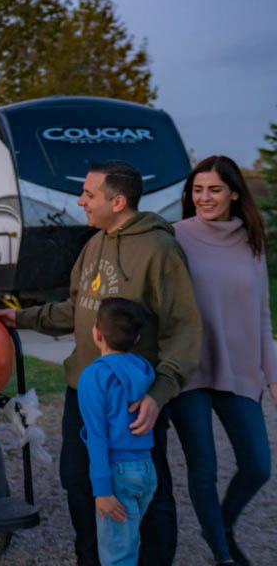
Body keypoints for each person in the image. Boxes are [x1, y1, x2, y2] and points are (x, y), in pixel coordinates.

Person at [0, 160, 202, 566]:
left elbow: (186, 328)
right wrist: (17, 318)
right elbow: (76, 308)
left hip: (134, 401)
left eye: (89, 195)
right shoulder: (95, 243)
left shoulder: (160, 250)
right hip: (83, 389)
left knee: (148, 488)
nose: (81, 201)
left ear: (118, 200)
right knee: (78, 480)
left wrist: (159, 394)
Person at [170, 156, 276, 566]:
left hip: (241, 370)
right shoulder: (175, 236)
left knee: (257, 465)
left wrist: (273, 375)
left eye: (214, 189)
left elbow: (262, 312)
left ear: (234, 192)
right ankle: (222, 553)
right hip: (190, 368)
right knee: (204, 470)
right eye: (197, 190)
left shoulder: (253, 238)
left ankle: (222, 526)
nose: (204, 197)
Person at [78, 297, 156, 566]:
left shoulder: (93, 377)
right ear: (136, 340)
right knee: (128, 544)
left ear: (97, 334)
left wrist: (102, 491)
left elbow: (97, 437)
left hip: (117, 474)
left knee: (117, 556)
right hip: (146, 470)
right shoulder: (143, 369)